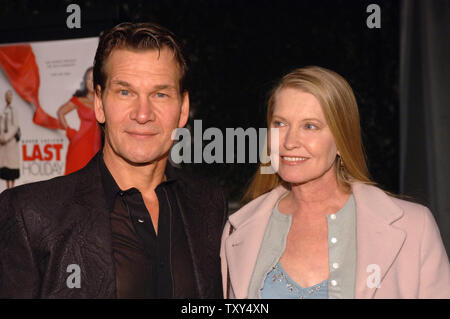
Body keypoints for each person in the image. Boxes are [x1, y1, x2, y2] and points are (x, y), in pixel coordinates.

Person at [0, 22, 227, 298]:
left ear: (183, 109)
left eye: (160, 94)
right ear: (99, 103)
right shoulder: (30, 215)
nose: (142, 114)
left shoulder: (210, 206)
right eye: (125, 92)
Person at [220, 66, 450, 299]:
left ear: (342, 139)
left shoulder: (413, 227)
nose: (289, 142)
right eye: (280, 124)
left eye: (310, 126)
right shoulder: (237, 231)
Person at [57, 67, 102, 175]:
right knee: (76, 177)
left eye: (94, 79)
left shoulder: (102, 101)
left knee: (95, 177)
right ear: (85, 81)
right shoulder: (79, 100)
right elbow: (61, 112)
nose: (91, 82)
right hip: (79, 143)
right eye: (89, 79)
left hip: (98, 144)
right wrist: (69, 131)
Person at [0, 90, 20, 189]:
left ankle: (12, 188)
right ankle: (8, 188)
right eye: (6, 96)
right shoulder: (4, 110)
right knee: (6, 167)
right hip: (4, 143)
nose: (8, 98)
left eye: (9, 96)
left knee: (12, 165)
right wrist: (1, 137)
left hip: (10, 141)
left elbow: (15, 126)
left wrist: (6, 137)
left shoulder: (14, 111)